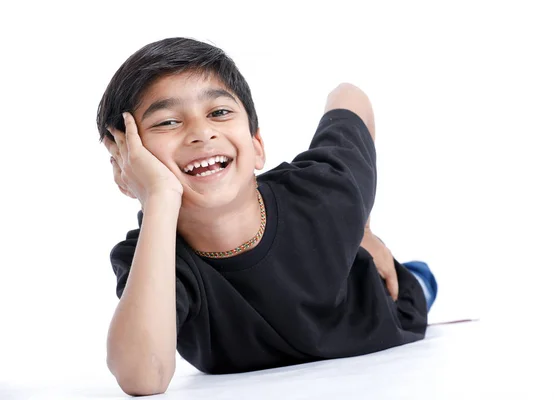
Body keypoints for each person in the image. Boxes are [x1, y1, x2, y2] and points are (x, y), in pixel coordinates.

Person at [98, 37, 438, 396]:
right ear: (126, 167)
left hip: (381, 307)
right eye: (167, 122)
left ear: (257, 145)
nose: (201, 132)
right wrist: (159, 199)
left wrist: (361, 228)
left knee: (419, 279)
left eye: (219, 112)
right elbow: (143, 377)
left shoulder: (322, 192)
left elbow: (349, 95)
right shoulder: (151, 258)